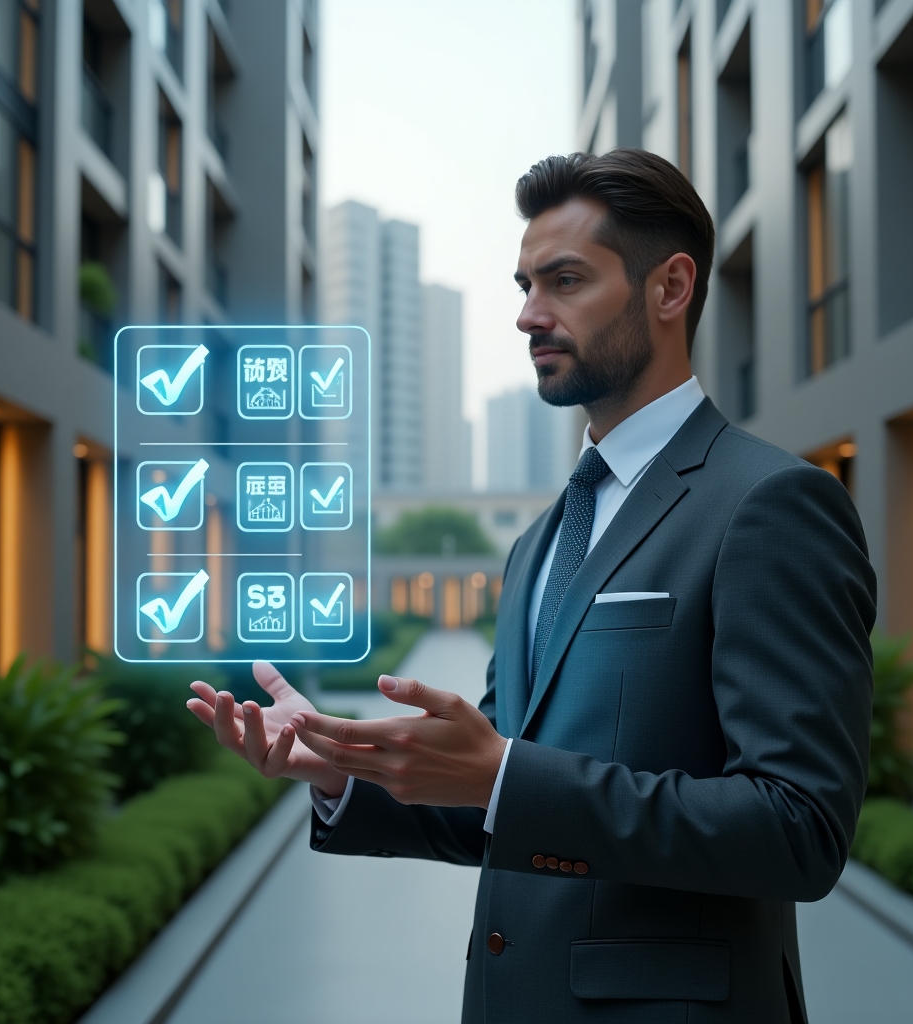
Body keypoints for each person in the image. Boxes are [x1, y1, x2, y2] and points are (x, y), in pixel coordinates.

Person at [188, 148, 876, 1023]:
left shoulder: (771, 503)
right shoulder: (538, 543)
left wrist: (508, 774)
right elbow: (492, 790)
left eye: (565, 281)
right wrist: (345, 770)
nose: (527, 315)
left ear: (670, 288)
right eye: (524, 286)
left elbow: (799, 827)